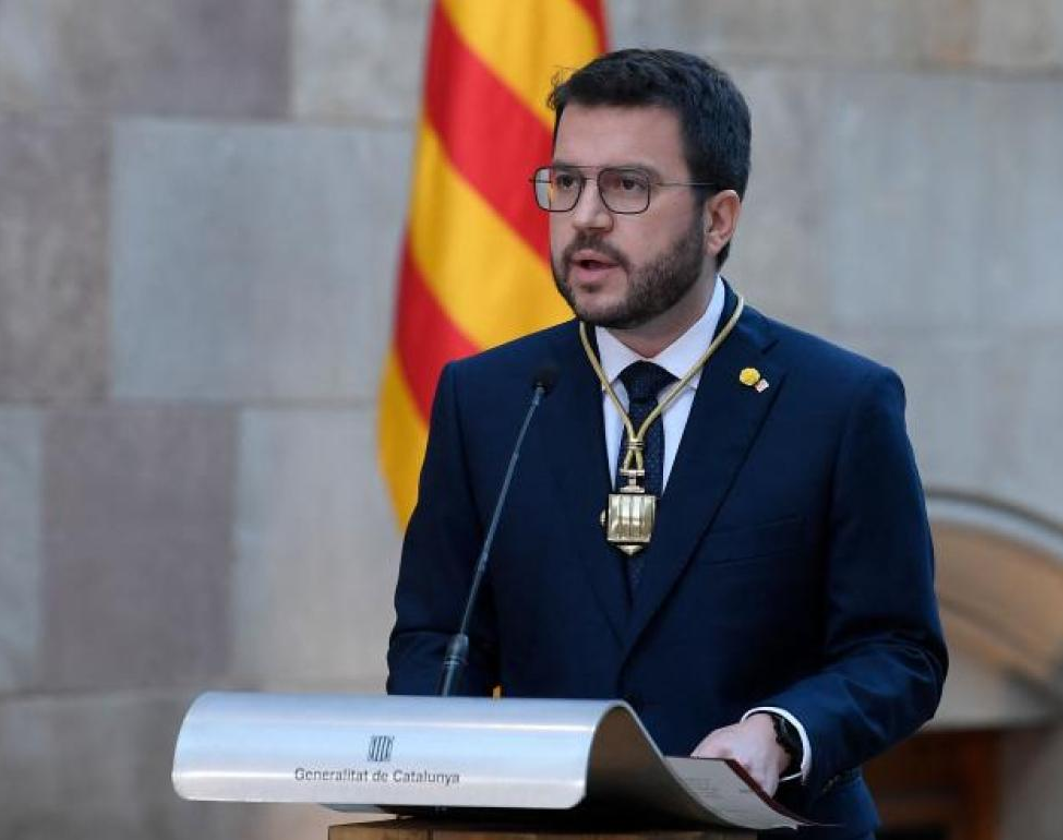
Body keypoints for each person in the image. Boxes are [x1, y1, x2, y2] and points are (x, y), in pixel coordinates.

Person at [387, 48, 947, 839]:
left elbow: (899, 653)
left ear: (718, 218)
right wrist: (432, 762)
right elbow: (441, 634)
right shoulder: (487, 399)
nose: (585, 216)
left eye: (627, 186)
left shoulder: (838, 403)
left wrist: (779, 732)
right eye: (567, 182)